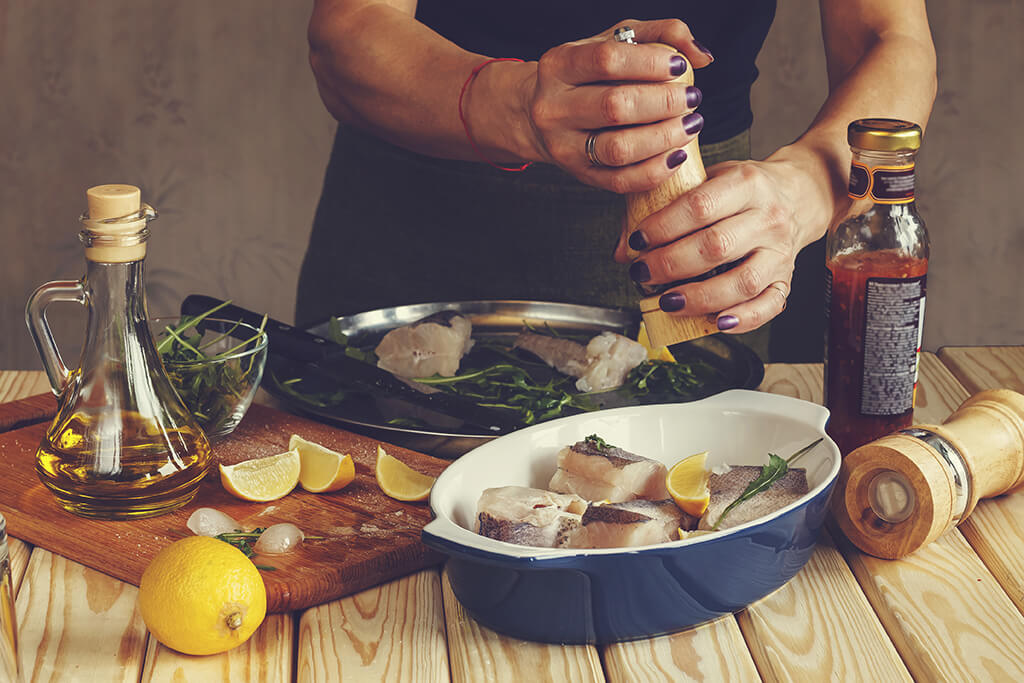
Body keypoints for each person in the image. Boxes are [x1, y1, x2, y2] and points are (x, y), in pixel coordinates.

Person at [297, 1, 936, 362]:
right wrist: (515, 103)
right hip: (414, 223)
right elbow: (348, 34)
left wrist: (808, 186)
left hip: (699, 231)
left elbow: (891, 39)